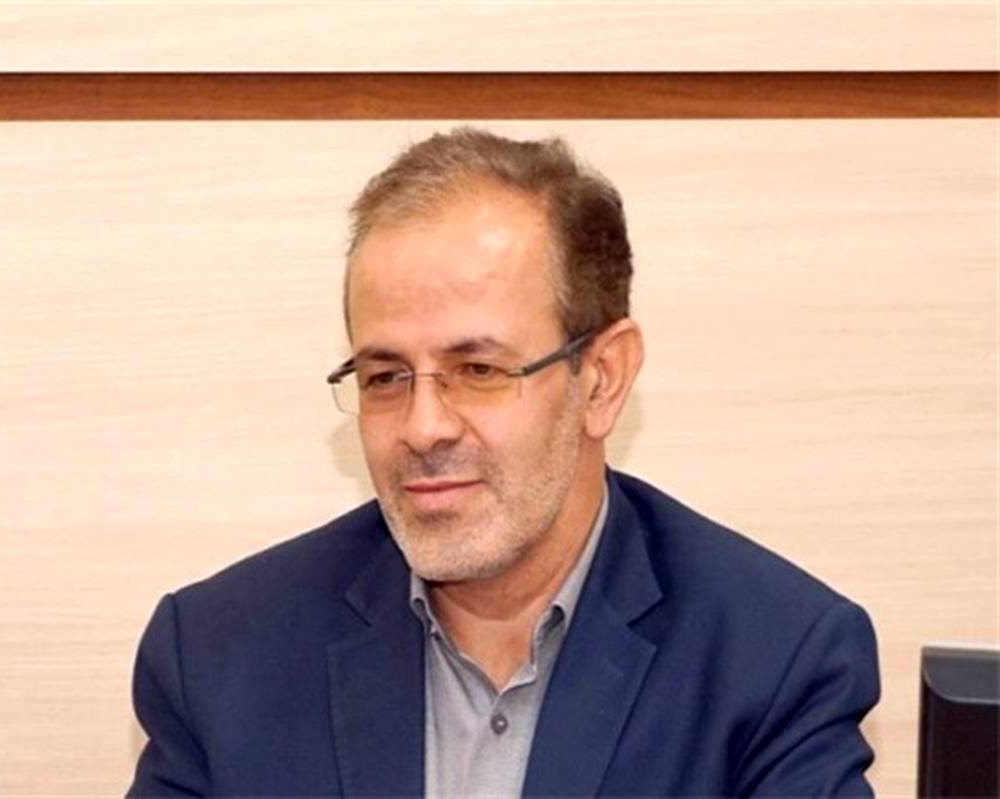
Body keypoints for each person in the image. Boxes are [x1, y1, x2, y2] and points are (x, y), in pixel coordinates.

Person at [127, 128, 880, 796]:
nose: (423, 428)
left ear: (602, 380)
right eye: (386, 376)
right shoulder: (218, 658)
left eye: (478, 370)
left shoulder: (774, 660)